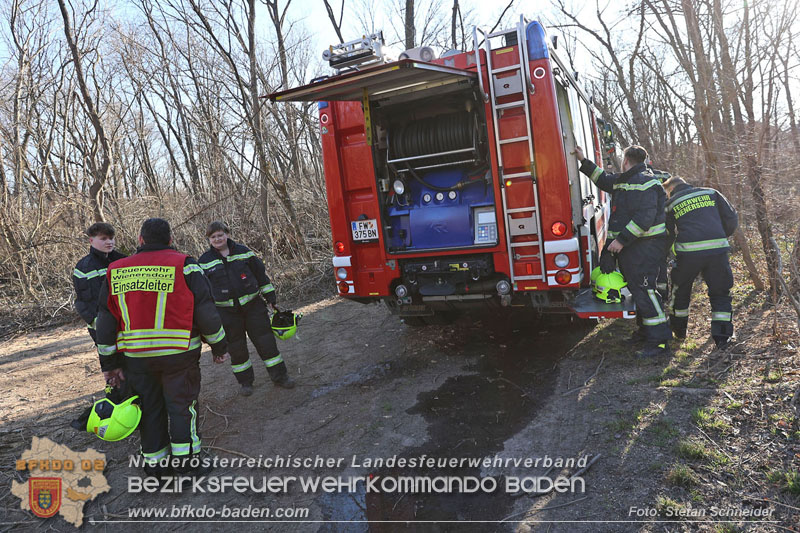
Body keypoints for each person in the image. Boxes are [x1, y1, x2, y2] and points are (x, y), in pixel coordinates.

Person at [95, 218, 230, 478]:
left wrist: (109, 365)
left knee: (149, 409)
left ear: (140, 239)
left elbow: (106, 320)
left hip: (136, 359)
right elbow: (206, 311)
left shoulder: (115, 270)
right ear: (170, 239)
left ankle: (157, 468)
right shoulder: (185, 265)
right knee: (181, 407)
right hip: (178, 354)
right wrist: (219, 346)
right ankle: (188, 467)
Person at [574, 145, 672, 358]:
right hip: (634, 247)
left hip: (645, 246)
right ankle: (645, 332)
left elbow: (644, 219)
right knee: (638, 290)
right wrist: (583, 159)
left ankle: (660, 341)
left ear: (626, 160)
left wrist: (621, 241)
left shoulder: (646, 182)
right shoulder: (627, 179)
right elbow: (603, 179)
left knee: (645, 290)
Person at [198, 221, 295, 395]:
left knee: (266, 343)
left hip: (253, 308)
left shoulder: (244, 252)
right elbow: (203, 291)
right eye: (213, 237)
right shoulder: (204, 262)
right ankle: (245, 383)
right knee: (237, 349)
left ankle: (280, 377)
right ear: (209, 240)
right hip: (227, 314)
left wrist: (271, 298)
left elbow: (261, 276)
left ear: (227, 234)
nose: (218, 239)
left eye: (220, 235)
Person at [663, 176, 738, 349]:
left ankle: (679, 331)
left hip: (688, 255)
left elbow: (667, 233)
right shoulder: (712, 193)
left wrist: (664, 255)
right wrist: (720, 236)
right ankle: (722, 337)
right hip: (717, 252)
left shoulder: (671, 203)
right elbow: (732, 218)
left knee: (680, 290)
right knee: (720, 293)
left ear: (671, 189)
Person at [73, 222, 127, 343]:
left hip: (126, 323)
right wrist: (101, 324)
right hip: (102, 325)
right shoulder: (84, 267)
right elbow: (86, 301)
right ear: (91, 241)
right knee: (110, 360)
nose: (109, 242)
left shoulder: (123, 260)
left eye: (111, 238)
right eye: (103, 239)